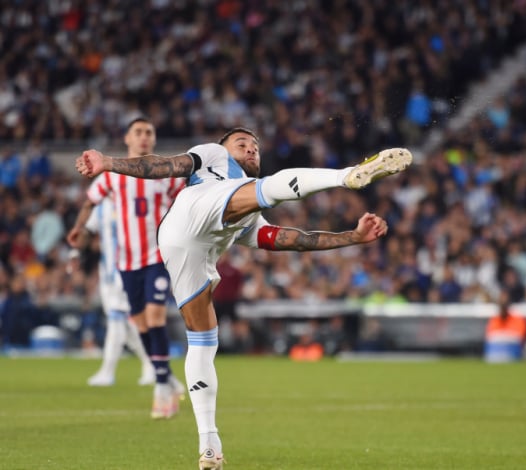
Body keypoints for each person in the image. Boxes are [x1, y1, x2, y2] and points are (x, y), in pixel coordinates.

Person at [75, 127, 411, 469]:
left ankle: (209, 444)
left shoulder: (247, 212)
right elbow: (168, 165)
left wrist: (351, 237)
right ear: (224, 147)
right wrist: (109, 162)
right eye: (242, 143)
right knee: (270, 188)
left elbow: (291, 239)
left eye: (255, 146)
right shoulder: (213, 156)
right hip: (192, 210)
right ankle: (348, 176)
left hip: (183, 249)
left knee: (203, 341)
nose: (251, 149)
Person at [67, 117, 186, 419]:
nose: (144, 137)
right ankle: (166, 375)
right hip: (126, 260)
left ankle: (160, 386)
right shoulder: (112, 175)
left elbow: (187, 203)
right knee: (141, 323)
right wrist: (80, 229)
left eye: (149, 132)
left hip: (158, 256)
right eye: (138, 132)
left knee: (156, 316)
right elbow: (89, 201)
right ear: (127, 138)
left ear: (154, 139)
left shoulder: (167, 173)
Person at [75, 197, 156, 386]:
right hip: (107, 273)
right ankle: (151, 364)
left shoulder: (132, 200)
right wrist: (77, 249)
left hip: (128, 268)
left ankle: (108, 371)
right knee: (128, 323)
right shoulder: (102, 206)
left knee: (119, 319)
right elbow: (88, 231)